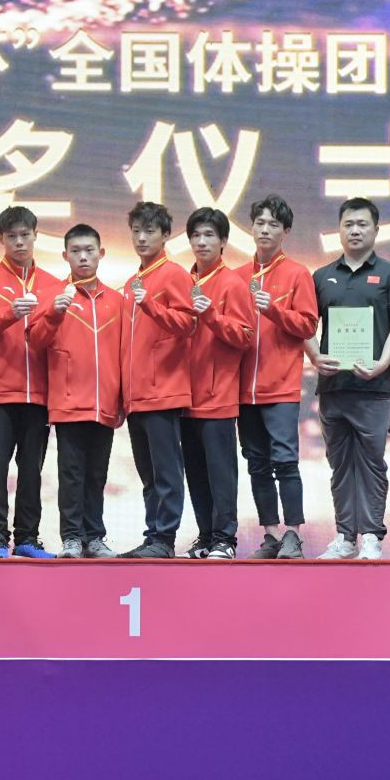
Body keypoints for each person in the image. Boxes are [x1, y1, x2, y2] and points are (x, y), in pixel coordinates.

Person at [309, 198, 390, 559]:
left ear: (376, 230)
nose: (355, 230)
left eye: (362, 224)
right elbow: (305, 324)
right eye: (348, 224)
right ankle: (345, 536)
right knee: (339, 464)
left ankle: (370, 534)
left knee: (371, 463)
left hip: (374, 386)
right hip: (333, 387)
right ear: (339, 230)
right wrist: (314, 355)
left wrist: (383, 363)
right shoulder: (322, 276)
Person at [0, 205, 63, 558]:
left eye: (25, 235)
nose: (19, 242)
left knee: (32, 470)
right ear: (0, 239)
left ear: (36, 236)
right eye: (12, 236)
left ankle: (27, 537)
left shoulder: (53, 284)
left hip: (40, 394)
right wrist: (8, 314)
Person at [37, 223, 128, 557]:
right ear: (65, 256)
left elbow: (125, 354)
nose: (83, 257)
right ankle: (72, 537)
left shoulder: (116, 301)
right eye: (76, 251)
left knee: (97, 474)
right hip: (68, 401)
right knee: (72, 473)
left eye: (89, 250)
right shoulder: (53, 296)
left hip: (105, 401)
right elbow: (35, 341)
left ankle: (95, 537)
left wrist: (123, 398)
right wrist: (53, 314)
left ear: (101, 253)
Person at [238, 194, 318, 559]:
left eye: (273, 224)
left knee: (285, 461)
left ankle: (293, 534)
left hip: (281, 385)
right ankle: (270, 534)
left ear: (285, 231)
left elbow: (307, 325)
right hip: (243, 389)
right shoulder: (237, 276)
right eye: (260, 223)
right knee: (256, 463)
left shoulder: (297, 273)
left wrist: (274, 310)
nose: (265, 230)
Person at [119, 200, 196, 559]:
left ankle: (165, 538)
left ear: (165, 235)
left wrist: (149, 303)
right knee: (148, 474)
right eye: (136, 231)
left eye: (149, 231)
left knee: (166, 472)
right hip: (135, 396)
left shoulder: (175, 275)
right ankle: (152, 536)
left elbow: (187, 324)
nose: (141, 238)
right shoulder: (131, 282)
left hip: (163, 391)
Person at [179, 207, 254, 558]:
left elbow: (244, 337)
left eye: (209, 235)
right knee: (195, 472)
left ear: (223, 241)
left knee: (221, 473)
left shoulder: (232, 284)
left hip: (218, 395)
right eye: (196, 235)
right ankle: (206, 536)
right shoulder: (182, 282)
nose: (202, 242)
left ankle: (225, 539)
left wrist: (210, 315)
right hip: (182, 396)